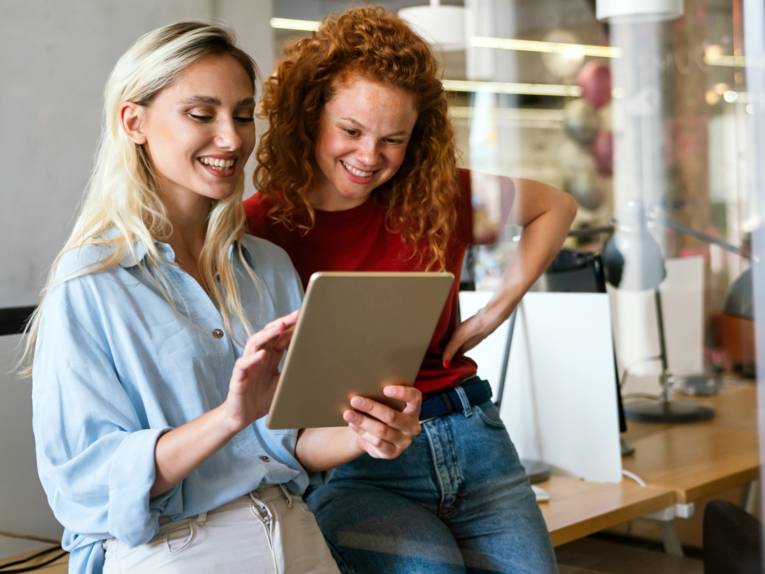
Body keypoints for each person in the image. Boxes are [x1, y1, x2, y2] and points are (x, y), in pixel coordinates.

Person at [24, 22, 422, 574]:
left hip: (295, 533)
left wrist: (367, 433)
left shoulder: (267, 265)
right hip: (178, 549)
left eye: (241, 114)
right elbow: (86, 483)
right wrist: (230, 416)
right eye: (201, 114)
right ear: (133, 121)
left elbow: (288, 441)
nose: (233, 139)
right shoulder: (91, 281)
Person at [245, 6, 577, 574]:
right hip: (359, 463)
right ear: (310, 114)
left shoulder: (438, 194)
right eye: (350, 131)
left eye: (392, 139)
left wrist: (495, 308)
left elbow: (555, 206)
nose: (370, 157)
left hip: (476, 439)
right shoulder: (261, 226)